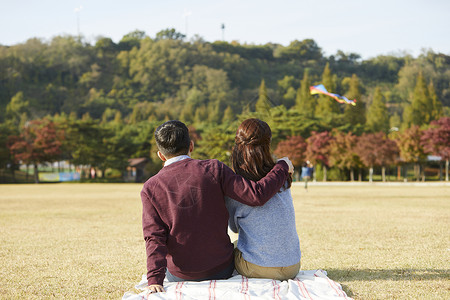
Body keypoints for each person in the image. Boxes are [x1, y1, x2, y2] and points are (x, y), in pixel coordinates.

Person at [141, 120, 294, 294]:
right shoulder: (214, 168)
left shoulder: (150, 188)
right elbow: (256, 195)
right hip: (220, 269)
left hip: (180, 274)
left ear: (160, 155)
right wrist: (281, 167)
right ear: (191, 145)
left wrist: (154, 279)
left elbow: (154, 237)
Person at [225, 118, 301, 281]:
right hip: (293, 266)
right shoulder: (281, 177)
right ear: (268, 145)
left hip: (258, 268)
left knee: (233, 247)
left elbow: (234, 228)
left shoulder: (237, 185)